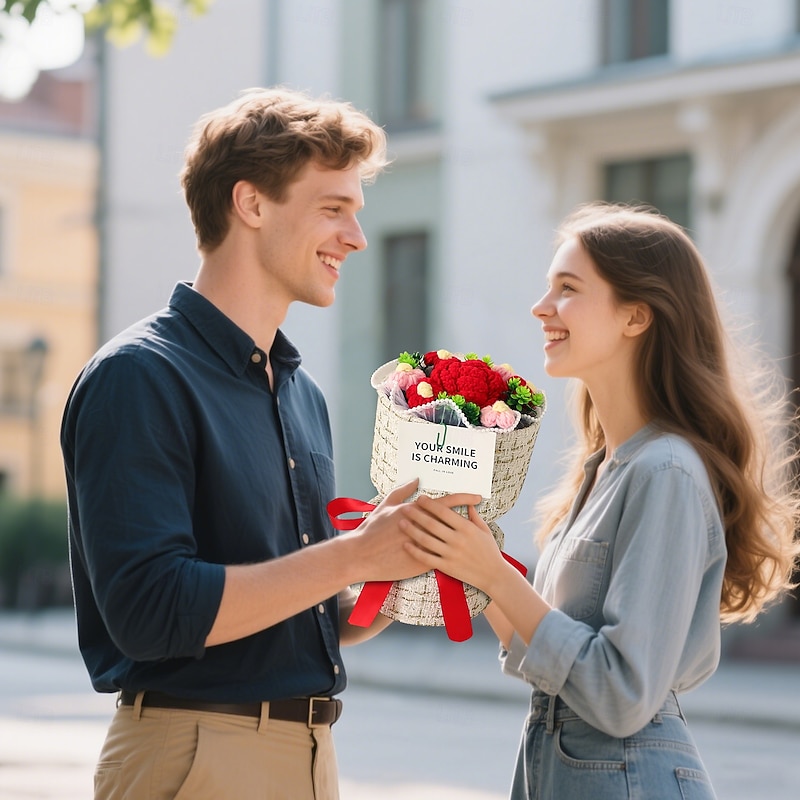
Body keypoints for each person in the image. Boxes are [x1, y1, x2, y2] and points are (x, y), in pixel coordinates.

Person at [60, 87, 479, 800]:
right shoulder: (139, 376)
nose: (356, 237)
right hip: (195, 755)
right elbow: (151, 613)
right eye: (333, 208)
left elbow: (306, 615)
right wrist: (356, 552)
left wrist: (401, 566)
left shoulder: (300, 394)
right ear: (251, 204)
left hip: (310, 756)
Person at [400, 202, 800, 799]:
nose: (541, 307)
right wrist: (467, 563)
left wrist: (496, 575)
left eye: (568, 288)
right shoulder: (603, 471)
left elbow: (621, 693)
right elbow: (546, 650)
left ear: (636, 315)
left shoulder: (666, 470)